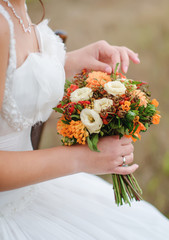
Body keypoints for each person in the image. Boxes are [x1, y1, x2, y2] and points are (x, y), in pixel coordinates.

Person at [0, 0, 168, 239]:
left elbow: (12, 77)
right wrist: (81, 158)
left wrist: (72, 62)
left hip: (32, 192)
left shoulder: (15, 5)